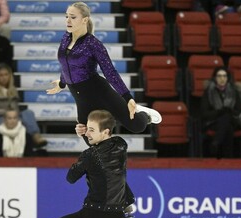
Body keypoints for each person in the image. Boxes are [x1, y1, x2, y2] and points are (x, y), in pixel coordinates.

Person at [46, 2, 161, 137]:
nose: (68, 20)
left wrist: (127, 97)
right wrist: (61, 83)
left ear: (85, 20)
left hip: (99, 91)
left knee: (136, 126)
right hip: (80, 97)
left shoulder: (93, 44)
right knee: (88, 137)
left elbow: (110, 72)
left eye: (72, 17)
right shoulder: (66, 37)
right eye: (66, 17)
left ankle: (144, 115)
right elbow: (66, 64)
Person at [30, 110, 137, 218]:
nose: (87, 133)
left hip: (92, 217)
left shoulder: (89, 155)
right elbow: (102, 147)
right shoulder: (121, 145)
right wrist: (87, 135)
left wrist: (81, 162)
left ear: (105, 132)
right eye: (87, 129)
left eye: (91, 130)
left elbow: (71, 178)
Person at [0, 63, 47, 147]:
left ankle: (36, 136)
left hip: (11, 116)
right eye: (1, 75)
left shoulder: (13, 89)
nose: (4, 77)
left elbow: (16, 110)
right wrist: (5, 112)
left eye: (6, 75)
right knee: (17, 122)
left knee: (28, 113)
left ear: (10, 76)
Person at [200, 67, 241, 158]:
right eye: (219, 76)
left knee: (227, 117)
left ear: (228, 78)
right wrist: (220, 112)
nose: (222, 79)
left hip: (233, 120)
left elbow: (239, 110)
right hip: (214, 122)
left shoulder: (234, 91)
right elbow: (205, 113)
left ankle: (216, 143)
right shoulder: (208, 92)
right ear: (215, 78)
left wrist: (228, 112)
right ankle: (228, 159)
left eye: (224, 76)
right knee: (228, 127)